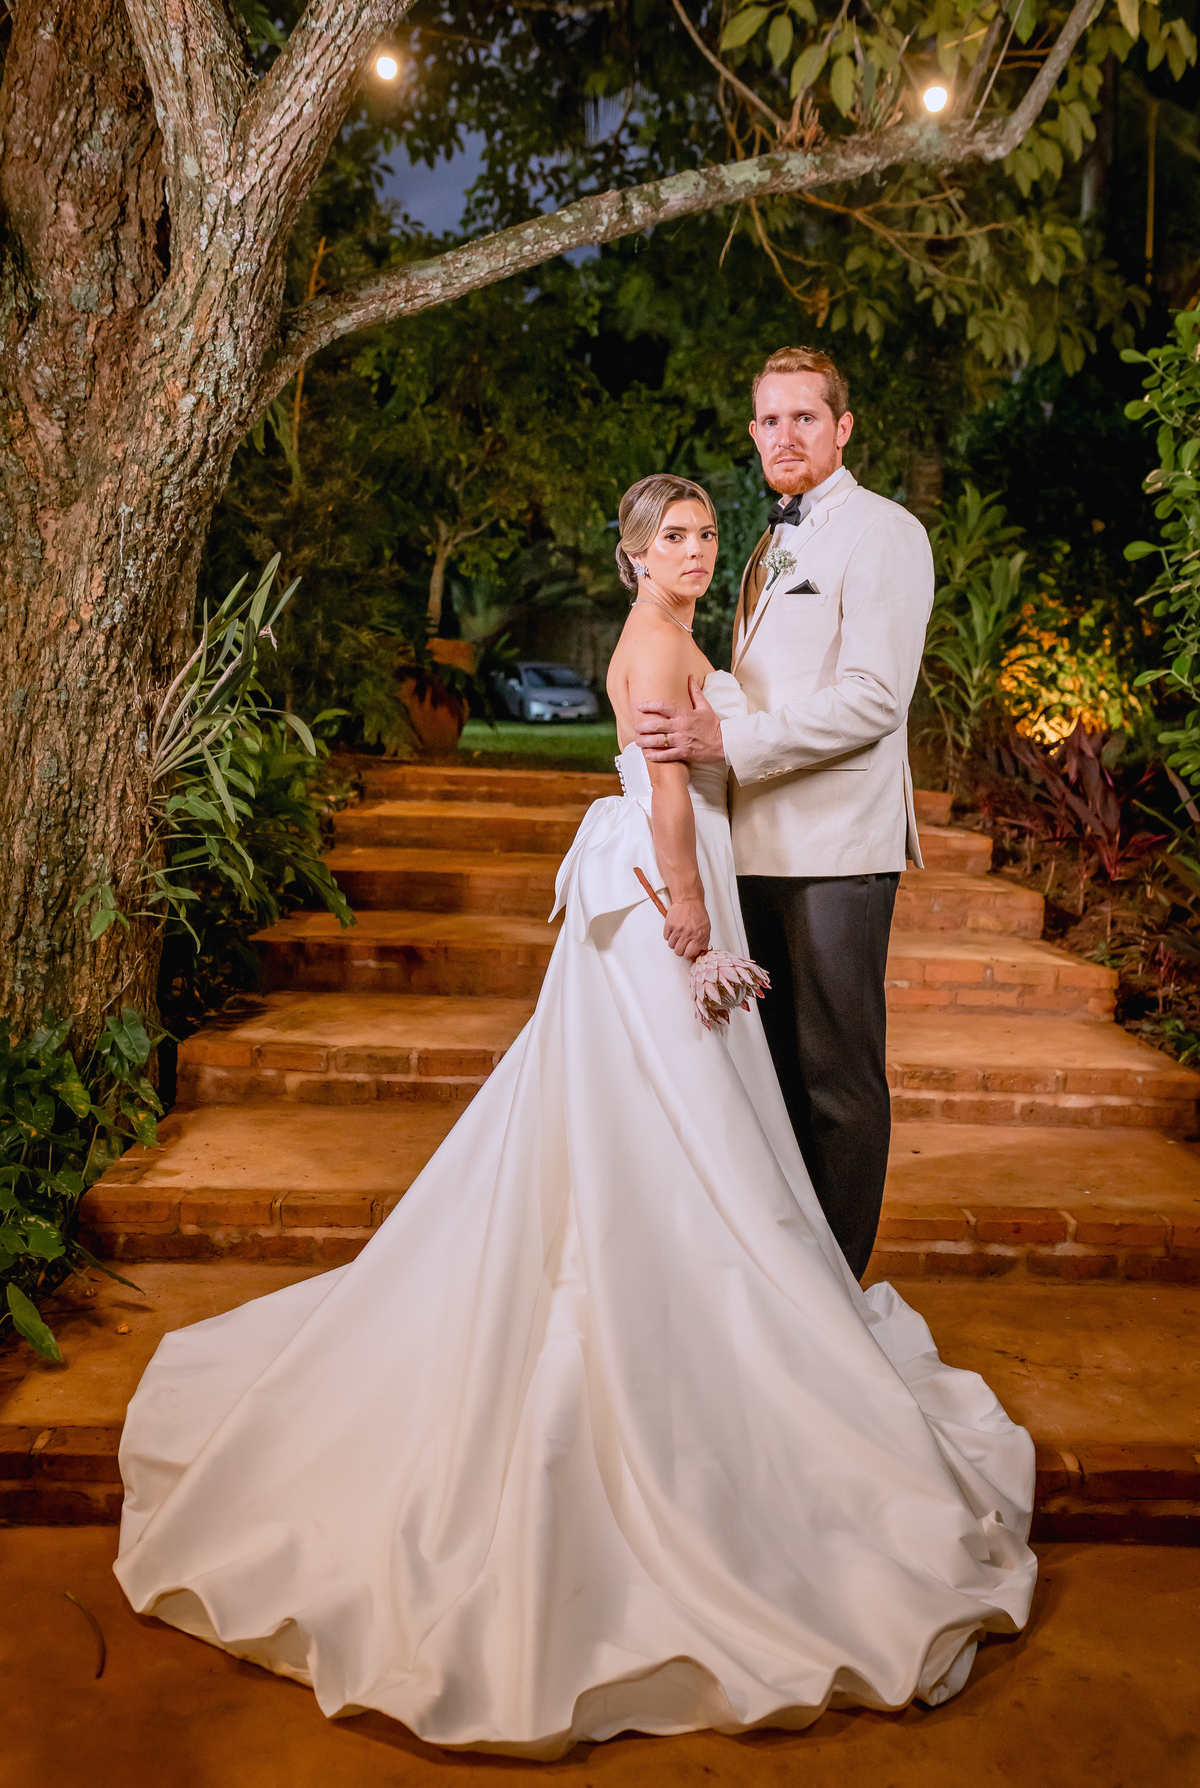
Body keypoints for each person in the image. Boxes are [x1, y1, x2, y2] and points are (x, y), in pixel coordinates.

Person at [114, 475, 1034, 1761]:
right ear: (631, 555)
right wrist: (689, 913)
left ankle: (698, 1293)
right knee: (673, 1121)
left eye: (705, 534)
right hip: (673, 890)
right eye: (673, 538)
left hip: (695, 867)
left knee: (691, 1124)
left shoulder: (687, 624)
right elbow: (663, 790)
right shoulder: (651, 643)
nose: (696, 551)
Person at [635, 350, 934, 1281]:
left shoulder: (884, 532)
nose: (785, 436)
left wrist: (730, 741)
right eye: (769, 420)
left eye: (805, 417)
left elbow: (876, 697)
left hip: (837, 846)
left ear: (843, 428)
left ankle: (836, 1291)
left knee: (837, 1078)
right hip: (757, 844)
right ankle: (790, 1284)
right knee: (775, 1076)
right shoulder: (771, 544)